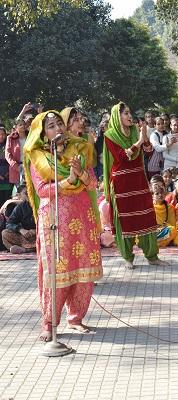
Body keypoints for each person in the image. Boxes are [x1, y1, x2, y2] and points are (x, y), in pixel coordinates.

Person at [23, 111, 103, 341]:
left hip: (82, 215)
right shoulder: (37, 157)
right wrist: (68, 180)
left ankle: (76, 318)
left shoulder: (76, 149)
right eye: (51, 126)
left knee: (82, 267)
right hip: (54, 221)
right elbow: (42, 191)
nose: (57, 129)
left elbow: (93, 181)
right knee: (56, 271)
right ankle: (49, 323)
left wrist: (81, 174)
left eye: (59, 124)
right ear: (41, 132)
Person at [102, 102, 168, 269]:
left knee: (146, 216)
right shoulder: (109, 135)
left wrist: (144, 137)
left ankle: (152, 256)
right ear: (117, 116)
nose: (129, 116)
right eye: (125, 113)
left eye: (130, 112)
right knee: (125, 220)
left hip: (138, 180)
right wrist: (138, 142)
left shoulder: (134, 131)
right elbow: (121, 157)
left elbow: (148, 151)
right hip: (121, 184)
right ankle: (127, 257)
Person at [1, 184, 36, 253]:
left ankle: (26, 250)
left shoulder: (42, 205)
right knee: (5, 233)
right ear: (19, 195)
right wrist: (20, 230)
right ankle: (28, 248)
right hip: (26, 236)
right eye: (26, 193)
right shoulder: (21, 207)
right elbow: (9, 223)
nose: (29, 195)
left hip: (40, 235)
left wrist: (36, 230)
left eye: (31, 192)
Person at [6, 117, 28, 186]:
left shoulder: (30, 136)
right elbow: (8, 154)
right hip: (17, 168)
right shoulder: (10, 138)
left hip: (30, 167)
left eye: (24, 124)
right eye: (20, 125)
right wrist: (15, 166)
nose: (23, 126)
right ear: (15, 127)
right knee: (21, 192)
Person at [0, 125, 13, 206]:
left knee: (7, 200)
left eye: (3, 134)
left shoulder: (9, 145)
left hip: (8, 176)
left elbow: (12, 158)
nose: (1, 136)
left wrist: (9, 172)